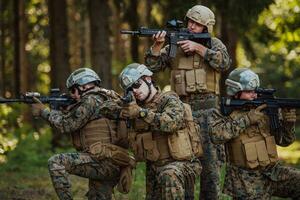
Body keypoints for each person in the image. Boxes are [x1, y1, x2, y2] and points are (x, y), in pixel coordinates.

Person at [144, 4, 231, 199]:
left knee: (210, 169)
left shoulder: (214, 43)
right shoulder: (174, 45)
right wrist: (157, 47)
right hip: (182, 115)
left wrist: (200, 49)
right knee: (184, 163)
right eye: (190, 21)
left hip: (208, 115)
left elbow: (224, 63)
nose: (191, 26)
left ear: (206, 27)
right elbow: (153, 67)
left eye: (197, 24)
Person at [31, 68, 134, 200]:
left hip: (103, 162)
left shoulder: (90, 100)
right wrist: (66, 110)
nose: (72, 95)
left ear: (84, 86)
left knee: (56, 162)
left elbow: (65, 125)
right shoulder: (106, 97)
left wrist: (43, 112)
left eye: (73, 90)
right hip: (113, 159)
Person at [208, 68, 300, 199]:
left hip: (273, 172)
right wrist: (247, 120)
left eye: (255, 91)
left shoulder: (266, 110)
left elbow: (284, 141)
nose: (254, 95)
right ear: (235, 91)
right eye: (249, 91)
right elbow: (216, 135)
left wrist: (288, 124)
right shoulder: (223, 112)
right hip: (245, 180)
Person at [119, 63, 202, 199]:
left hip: (182, 164)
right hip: (155, 166)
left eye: (136, 84)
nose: (134, 90)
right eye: (129, 89)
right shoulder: (135, 108)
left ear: (148, 79)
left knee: (169, 174)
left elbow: (171, 123)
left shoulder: (168, 100)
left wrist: (142, 113)